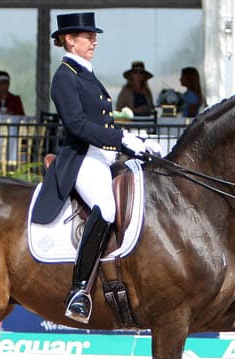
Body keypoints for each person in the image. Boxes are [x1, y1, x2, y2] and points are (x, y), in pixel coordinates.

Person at [30, 12, 161, 324]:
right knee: (105, 207)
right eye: (88, 37)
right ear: (69, 40)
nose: (94, 41)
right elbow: (76, 125)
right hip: (81, 157)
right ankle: (79, 290)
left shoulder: (85, 73)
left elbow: (100, 119)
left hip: (103, 156)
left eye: (94, 36)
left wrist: (137, 140)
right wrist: (122, 138)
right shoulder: (64, 76)